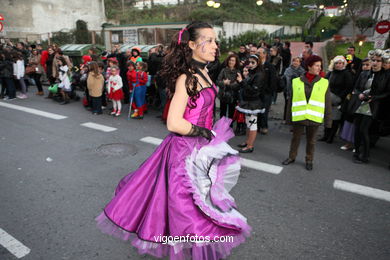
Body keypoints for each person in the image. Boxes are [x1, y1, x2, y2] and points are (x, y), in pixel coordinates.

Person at [96, 21, 250, 260]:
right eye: (208, 40)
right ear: (191, 44)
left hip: (200, 151)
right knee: (187, 211)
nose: (215, 46)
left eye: (215, 40)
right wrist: (203, 132)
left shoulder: (204, 71)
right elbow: (174, 123)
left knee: (201, 207)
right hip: (184, 153)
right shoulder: (186, 78)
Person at [282, 55, 332, 171]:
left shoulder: (324, 83)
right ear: (309, 66)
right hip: (299, 116)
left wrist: (328, 122)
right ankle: (291, 157)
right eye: (317, 65)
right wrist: (288, 118)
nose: (319, 68)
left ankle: (309, 160)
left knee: (311, 141)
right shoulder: (296, 81)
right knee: (295, 139)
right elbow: (291, 102)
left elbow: (327, 103)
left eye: (320, 66)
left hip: (314, 118)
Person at [350, 49, 390, 163]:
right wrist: (359, 94)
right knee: (357, 130)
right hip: (360, 104)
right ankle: (356, 152)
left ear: (382, 62)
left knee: (364, 130)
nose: (375, 63)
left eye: (378, 60)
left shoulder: (386, 75)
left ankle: (365, 156)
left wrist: (375, 97)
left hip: (373, 106)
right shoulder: (364, 73)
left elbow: (387, 93)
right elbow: (356, 87)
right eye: (373, 60)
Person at [319, 55, 353, 144]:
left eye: (340, 63)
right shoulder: (331, 72)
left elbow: (348, 88)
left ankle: (331, 137)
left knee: (335, 119)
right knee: (327, 117)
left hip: (338, 99)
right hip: (328, 98)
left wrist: (340, 98)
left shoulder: (346, 73)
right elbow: (324, 82)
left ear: (344, 64)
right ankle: (325, 135)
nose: (338, 65)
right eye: (337, 63)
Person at [235, 54, 265, 153]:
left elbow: (253, 90)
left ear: (258, 63)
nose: (250, 64)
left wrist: (241, 81)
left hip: (254, 103)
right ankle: (247, 142)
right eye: (249, 62)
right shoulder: (252, 73)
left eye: (253, 62)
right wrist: (242, 80)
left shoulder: (259, 74)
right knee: (248, 123)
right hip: (248, 101)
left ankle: (250, 146)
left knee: (252, 124)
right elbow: (246, 86)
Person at [257, 47, 277, 135]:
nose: (258, 54)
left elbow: (273, 81)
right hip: (257, 93)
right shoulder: (256, 65)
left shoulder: (270, 66)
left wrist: (268, 91)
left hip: (266, 93)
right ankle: (256, 126)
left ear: (264, 54)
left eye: (259, 53)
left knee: (264, 110)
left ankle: (264, 126)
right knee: (257, 110)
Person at [217, 54, 241, 120]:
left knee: (231, 114)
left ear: (236, 62)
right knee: (222, 113)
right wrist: (223, 83)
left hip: (233, 96)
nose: (231, 62)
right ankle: (222, 127)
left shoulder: (238, 71)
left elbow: (238, 85)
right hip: (223, 95)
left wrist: (228, 84)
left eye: (233, 61)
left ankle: (229, 128)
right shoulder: (223, 70)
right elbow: (218, 81)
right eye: (230, 60)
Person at [282, 57, 305, 122]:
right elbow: (285, 79)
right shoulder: (288, 70)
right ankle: (285, 118)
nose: (296, 63)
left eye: (297, 61)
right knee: (287, 105)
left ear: (300, 63)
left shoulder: (302, 71)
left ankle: (294, 118)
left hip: (297, 91)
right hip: (287, 90)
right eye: (294, 61)